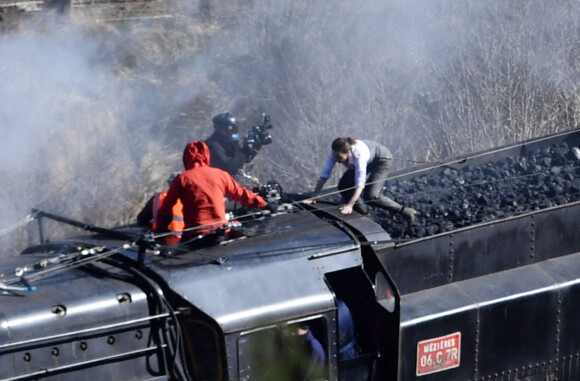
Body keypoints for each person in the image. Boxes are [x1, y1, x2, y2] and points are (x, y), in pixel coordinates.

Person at [157, 140, 270, 240]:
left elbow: (166, 208)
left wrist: (160, 229)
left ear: (185, 158)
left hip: (194, 235)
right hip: (220, 232)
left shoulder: (181, 179)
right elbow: (241, 194)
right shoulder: (220, 174)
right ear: (207, 155)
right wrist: (263, 203)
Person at [306, 137, 416, 223]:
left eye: (339, 158)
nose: (336, 160)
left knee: (371, 195)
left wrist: (350, 205)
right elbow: (325, 174)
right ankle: (365, 215)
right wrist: (314, 196)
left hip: (382, 160)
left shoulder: (359, 155)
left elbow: (360, 183)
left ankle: (405, 211)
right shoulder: (336, 153)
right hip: (368, 159)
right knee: (344, 185)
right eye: (334, 156)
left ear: (348, 153)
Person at [137, 172, 184, 245]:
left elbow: (142, 219)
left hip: (161, 241)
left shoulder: (158, 198)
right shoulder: (193, 198)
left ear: (169, 184)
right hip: (187, 242)